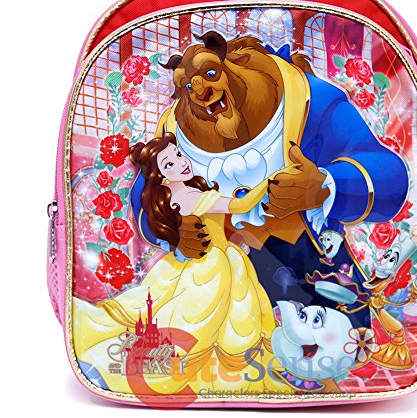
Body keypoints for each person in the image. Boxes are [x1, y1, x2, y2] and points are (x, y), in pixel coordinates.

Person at [72, 132, 299, 395]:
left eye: (178, 155)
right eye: (169, 164)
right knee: (205, 321)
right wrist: (274, 179)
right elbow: (240, 205)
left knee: (199, 316)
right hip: (213, 265)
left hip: (205, 259)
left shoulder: (178, 192)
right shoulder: (189, 197)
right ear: (161, 175)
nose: (181, 163)